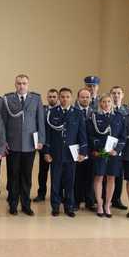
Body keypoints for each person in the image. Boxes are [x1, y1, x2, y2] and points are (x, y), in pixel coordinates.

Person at [1, 74, 45, 216]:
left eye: (24, 83)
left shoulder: (36, 99)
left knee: (26, 176)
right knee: (13, 175)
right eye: (19, 83)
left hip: (29, 145)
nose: (21, 86)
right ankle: (13, 204)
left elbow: (40, 121)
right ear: (15, 84)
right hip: (12, 144)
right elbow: (3, 122)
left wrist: (41, 140)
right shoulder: (8, 99)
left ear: (28, 84)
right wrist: (3, 141)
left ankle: (26, 204)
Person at [43, 88, 88, 217]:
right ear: (59, 98)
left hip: (71, 154)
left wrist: (83, 152)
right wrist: (46, 152)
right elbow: (48, 134)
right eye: (62, 97)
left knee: (70, 181)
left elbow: (82, 134)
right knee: (55, 181)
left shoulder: (77, 114)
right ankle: (55, 206)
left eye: (67, 97)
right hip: (55, 153)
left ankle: (69, 206)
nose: (64, 99)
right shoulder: (51, 113)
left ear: (71, 98)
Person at [88, 94, 126, 218]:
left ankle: (107, 205)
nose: (107, 104)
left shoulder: (119, 117)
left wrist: (116, 150)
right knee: (99, 177)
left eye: (109, 101)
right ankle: (99, 203)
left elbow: (123, 137)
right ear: (100, 103)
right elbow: (91, 135)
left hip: (114, 154)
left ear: (112, 103)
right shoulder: (94, 116)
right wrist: (100, 149)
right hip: (100, 153)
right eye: (104, 101)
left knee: (111, 178)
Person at [35, 89, 59, 202]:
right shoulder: (42, 110)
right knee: (43, 172)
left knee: (57, 173)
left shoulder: (61, 111)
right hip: (44, 146)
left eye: (54, 97)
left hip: (57, 147)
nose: (52, 99)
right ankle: (41, 193)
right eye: (50, 96)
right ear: (47, 97)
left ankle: (57, 195)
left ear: (57, 98)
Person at [108, 85, 129, 210]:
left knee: (119, 175)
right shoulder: (106, 107)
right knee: (107, 175)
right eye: (114, 93)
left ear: (122, 95)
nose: (116, 95)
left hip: (121, 148)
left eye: (118, 93)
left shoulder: (127, 111)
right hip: (107, 148)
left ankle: (117, 199)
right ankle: (106, 199)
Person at [74, 88, 95, 211]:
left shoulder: (94, 113)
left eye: (87, 97)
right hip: (77, 150)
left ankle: (89, 201)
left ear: (90, 99)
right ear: (78, 98)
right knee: (78, 177)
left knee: (90, 176)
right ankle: (76, 201)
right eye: (82, 97)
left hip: (91, 150)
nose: (85, 99)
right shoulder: (73, 112)